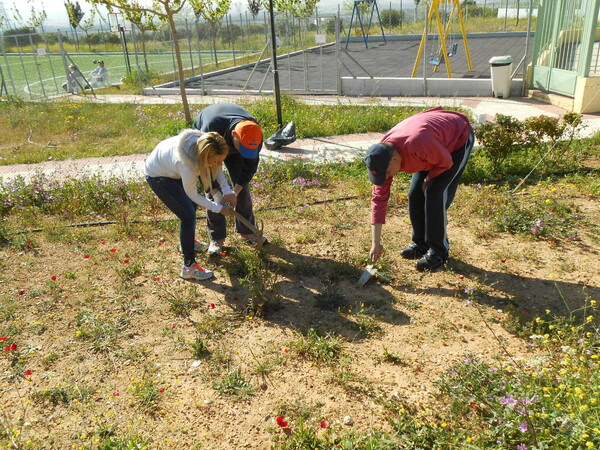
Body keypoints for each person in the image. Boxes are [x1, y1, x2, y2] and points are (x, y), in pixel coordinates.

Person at [365, 106, 474, 272]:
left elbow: (445, 162)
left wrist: (429, 179)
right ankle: (421, 243)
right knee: (415, 193)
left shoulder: (418, 145)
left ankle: (439, 252)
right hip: (430, 143)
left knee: (434, 192)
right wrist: (375, 243)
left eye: (387, 173)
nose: (386, 177)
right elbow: (379, 200)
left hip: (457, 138)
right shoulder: (381, 157)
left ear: (394, 159)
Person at [145, 130, 235, 281]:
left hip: (171, 167)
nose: (220, 164)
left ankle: (188, 242)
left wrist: (227, 190)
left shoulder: (206, 146)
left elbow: (216, 168)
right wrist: (219, 209)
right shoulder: (187, 164)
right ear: (205, 157)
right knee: (187, 216)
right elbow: (192, 194)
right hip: (158, 175)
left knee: (191, 206)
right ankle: (189, 267)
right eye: (216, 160)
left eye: (222, 160)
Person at [192, 103, 265, 256]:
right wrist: (218, 195)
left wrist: (234, 193)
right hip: (211, 142)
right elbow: (205, 171)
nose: (246, 152)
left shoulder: (253, 133)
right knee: (214, 195)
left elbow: (248, 168)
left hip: (233, 142)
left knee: (242, 190)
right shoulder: (210, 129)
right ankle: (217, 238)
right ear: (234, 135)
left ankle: (247, 232)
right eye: (243, 147)